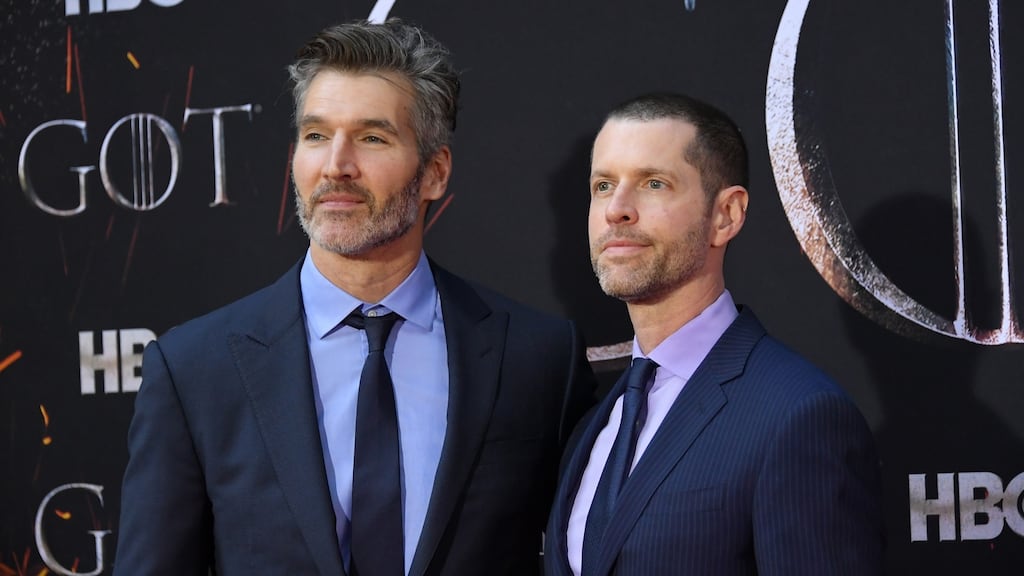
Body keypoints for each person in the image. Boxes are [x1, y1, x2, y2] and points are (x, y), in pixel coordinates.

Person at [113, 19, 594, 576]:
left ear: (435, 172)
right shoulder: (195, 369)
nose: (335, 166)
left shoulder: (538, 358)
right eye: (316, 136)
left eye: (372, 137)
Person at [544, 93, 884, 575]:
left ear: (726, 215)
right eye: (602, 185)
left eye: (654, 183)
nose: (616, 210)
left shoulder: (798, 416)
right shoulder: (594, 426)